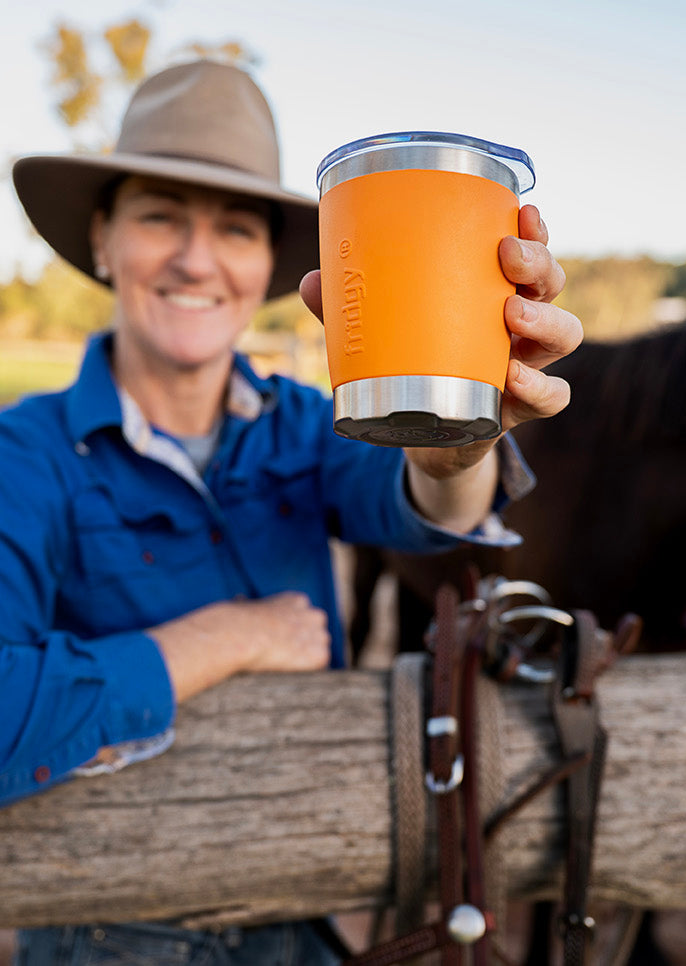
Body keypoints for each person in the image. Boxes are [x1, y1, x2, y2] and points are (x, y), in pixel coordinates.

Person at [1, 59, 581, 965]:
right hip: (103, 931)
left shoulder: (304, 426)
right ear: (105, 240)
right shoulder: (22, 456)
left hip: (302, 920)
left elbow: (424, 503)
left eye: (233, 228)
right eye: (160, 216)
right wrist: (224, 638)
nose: (198, 259)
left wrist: (458, 433)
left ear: (268, 263)